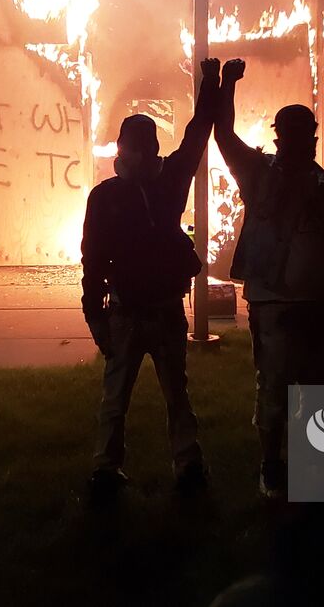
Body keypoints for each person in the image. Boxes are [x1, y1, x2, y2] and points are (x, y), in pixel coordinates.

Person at [214, 57, 324, 499]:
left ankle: (306, 468)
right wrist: (226, 85)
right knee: (276, 387)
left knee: (317, 394)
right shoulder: (260, 176)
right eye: (293, 136)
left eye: (305, 136)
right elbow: (224, 135)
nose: (300, 143)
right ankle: (274, 466)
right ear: (281, 138)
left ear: (312, 138)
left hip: (318, 307)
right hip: (276, 304)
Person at [80, 57, 221, 499]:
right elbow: (93, 259)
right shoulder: (106, 197)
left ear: (148, 152)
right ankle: (106, 469)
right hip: (126, 311)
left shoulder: (164, 183)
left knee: (175, 392)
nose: (129, 155)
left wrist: (211, 84)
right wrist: (94, 314)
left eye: (135, 148)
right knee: (115, 398)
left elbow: (198, 132)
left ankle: (187, 463)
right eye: (126, 147)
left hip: (162, 311)